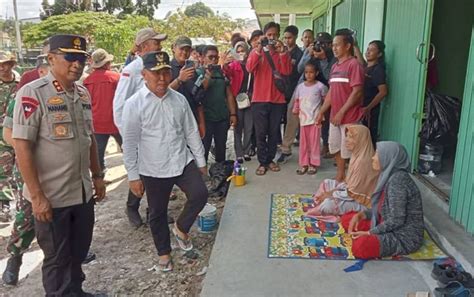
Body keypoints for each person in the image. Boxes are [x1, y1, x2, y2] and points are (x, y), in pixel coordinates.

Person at [12, 34, 106, 295]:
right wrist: (37, 196)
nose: (77, 64)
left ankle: (75, 292)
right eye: (70, 57)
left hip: (82, 192)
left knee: (78, 252)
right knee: (56, 260)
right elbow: (22, 146)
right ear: (51, 58)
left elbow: (89, 140)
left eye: (82, 58)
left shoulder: (83, 93)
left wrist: (97, 175)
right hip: (52, 198)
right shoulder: (33, 93)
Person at [122, 51, 208, 272]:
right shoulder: (134, 104)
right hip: (153, 167)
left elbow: (190, 131)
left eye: (166, 73)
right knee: (157, 212)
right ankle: (164, 253)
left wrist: (200, 160)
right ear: (144, 74)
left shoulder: (179, 100)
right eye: (156, 73)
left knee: (200, 194)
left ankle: (181, 228)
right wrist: (133, 176)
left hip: (181, 159)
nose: (162, 78)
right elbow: (129, 143)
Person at [1, 57, 48, 286]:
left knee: (67, 212)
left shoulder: (70, 94)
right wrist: (29, 147)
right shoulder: (25, 94)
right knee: (28, 213)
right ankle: (15, 257)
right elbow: (8, 134)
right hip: (30, 163)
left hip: (60, 167)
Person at [113, 27, 167, 228]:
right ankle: (132, 206)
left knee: (157, 171)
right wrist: (127, 137)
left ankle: (154, 211)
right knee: (139, 172)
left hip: (155, 131)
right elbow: (119, 106)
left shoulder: (158, 66)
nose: (160, 46)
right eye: (156, 42)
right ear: (144, 46)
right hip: (138, 133)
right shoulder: (132, 70)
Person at [342, 142, 424, 259]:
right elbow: (382, 208)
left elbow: (397, 220)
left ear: (388, 157)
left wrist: (370, 233)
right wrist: (362, 215)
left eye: (377, 154)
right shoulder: (387, 175)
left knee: (361, 246)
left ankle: (370, 237)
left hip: (403, 236)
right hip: (387, 224)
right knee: (348, 220)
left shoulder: (398, 181)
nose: (373, 157)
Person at [278, 32, 336, 164]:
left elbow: (328, 76)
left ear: (329, 44)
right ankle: (286, 148)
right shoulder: (309, 51)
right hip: (303, 87)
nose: (319, 46)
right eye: (317, 42)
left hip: (323, 90)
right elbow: (299, 69)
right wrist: (308, 54)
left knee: (324, 117)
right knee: (292, 112)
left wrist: (323, 59)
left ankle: (326, 144)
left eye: (323, 43)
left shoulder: (333, 56)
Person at [316, 28, 364, 182]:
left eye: (337, 45)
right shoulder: (335, 67)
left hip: (349, 117)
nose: (334, 48)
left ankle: (351, 179)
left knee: (349, 151)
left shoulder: (354, 64)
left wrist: (341, 113)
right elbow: (331, 92)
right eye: (333, 45)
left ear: (348, 46)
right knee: (335, 147)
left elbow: (357, 92)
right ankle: (340, 175)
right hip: (335, 117)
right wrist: (322, 111)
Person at [246, 21, 292, 176]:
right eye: (269, 35)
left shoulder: (281, 53)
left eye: (275, 35)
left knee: (273, 132)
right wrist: (258, 49)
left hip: (277, 100)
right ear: (264, 35)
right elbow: (249, 68)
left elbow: (286, 71)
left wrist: (283, 53)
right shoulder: (257, 52)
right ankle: (262, 161)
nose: (272, 38)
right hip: (259, 100)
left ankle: (270, 159)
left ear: (278, 36)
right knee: (260, 133)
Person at [306, 125, 378, 219]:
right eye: (347, 136)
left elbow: (352, 194)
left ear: (361, 140)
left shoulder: (363, 161)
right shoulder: (357, 155)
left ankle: (323, 208)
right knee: (327, 183)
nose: (346, 140)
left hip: (362, 203)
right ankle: (322, 204)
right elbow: (348, 184)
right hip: (350, 194)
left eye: (351, 137)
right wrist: (332, 192)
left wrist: (331, 194)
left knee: (328, 205)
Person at [84, 48, 122, 171]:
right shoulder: (117, 78)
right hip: (116, 122)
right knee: (129, 150)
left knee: (98, 154)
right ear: (107, 64)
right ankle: (136, 176)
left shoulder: (87, 81)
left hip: (97, 124)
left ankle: (99, 177)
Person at [200, 45, 238, 163]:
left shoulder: (222, 74)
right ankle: (203, 175)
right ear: (202, 58)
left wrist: (233, 114)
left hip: (222, 117)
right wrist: (208, 74)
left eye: (216, 57)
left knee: (221, 148)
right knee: (203, 149)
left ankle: (220, 174)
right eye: (210, 57)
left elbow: (229, 94)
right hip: (206, 118)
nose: (213, 60)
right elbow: (201, 90)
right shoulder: (198, 72)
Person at [292, 59, 328, 175]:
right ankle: (304, 164)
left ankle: (313, 164)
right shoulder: (300, 87)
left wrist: (322, 113)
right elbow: (297, 101)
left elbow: (326, 99)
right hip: (303, 120)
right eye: (306, 72)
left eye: (311, 72)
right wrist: (295, 110)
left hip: (315, 120)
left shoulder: (320, 86)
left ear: (316, 73)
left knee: (314, 142)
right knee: (304, 143)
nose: (308, 75)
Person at [169, 36, 206, 138]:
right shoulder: (167, 70)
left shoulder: (193, 71)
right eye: (182, 49)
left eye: (187, 50)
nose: (184, 53)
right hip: (173, 121)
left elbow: (198, 100)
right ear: (173, 48)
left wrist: (201, 123)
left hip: (192, 119)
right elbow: (162, 93)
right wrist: (179, 80)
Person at [223, 41, 253, 163]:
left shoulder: (251, 64)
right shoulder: (233, 65)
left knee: (249, 127)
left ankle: (246, 151)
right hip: (236, 99)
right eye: (238, 51)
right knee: (237, 127)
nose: (241, 54)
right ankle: (239, 153)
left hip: (250, 99)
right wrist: (224, 64)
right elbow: (226, 73)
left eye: (243, 51)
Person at [0, 51, 20, 222]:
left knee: (21, 169)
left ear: (12, 64)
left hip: (21, 133)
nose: (1, 67)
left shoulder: (22, 84)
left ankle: (23, 202)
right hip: (2, 137)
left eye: (4, 63)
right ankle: (5, 204)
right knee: (3, 171)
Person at [358, 40, 388, 146]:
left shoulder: (378, 70)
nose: (368, 52)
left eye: (372, 50)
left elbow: (383, 92)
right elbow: (361, 61)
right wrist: (355, 45)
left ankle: (371, 161)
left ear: (379, 54)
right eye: (367, 49)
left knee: (368, 136)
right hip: (361, 107)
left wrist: (368, 107)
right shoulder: (366, 67)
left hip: (369, 110)